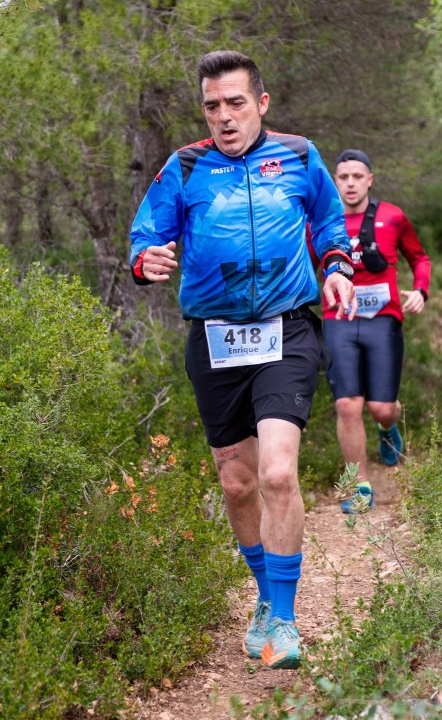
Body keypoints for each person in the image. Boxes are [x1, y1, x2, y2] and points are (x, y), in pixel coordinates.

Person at [129, 50, 356, 669]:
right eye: (212, 106)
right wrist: (145, 260)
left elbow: (330, 224)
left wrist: (337, 268)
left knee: (279, 473)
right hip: (217, 339)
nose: (224, 116)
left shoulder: (300, 155)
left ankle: (284, 620)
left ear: (261, 102)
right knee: (237, 483)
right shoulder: (185, 166)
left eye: (235, 102)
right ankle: (264, 594)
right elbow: (146, 234)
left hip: (287, 329)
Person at [321, 149, 431, 512]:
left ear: (369, 180)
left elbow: (420, 258)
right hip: (339, 319)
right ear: (335, 181)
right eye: (343, 177)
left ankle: (387, 428)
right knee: (347, 405)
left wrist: (421, 290)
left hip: (383, 319)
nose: (350, 183)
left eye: (357, 176)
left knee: (381, 408)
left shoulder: (392, 216)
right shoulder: (321, 221)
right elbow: (304, 264)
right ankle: (360, 487)